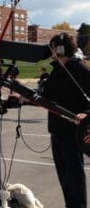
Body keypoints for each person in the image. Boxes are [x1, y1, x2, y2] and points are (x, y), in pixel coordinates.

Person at [42, 32, 90, 208]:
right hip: (56, 132)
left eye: (53, 48)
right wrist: (24, 97)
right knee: (64, 178)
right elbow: (45, 96)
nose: (51, 52)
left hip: (73, 133)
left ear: (62, 49)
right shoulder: (56, 72)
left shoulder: (80, 69)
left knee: (74, 177)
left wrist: (86, 113)